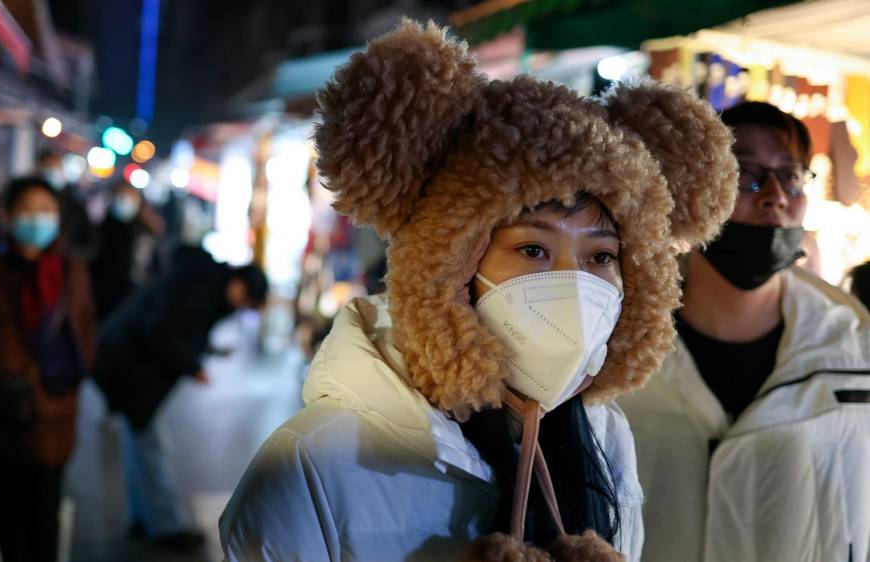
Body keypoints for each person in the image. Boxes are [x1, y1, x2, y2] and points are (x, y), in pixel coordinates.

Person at [219, 20, 738, 561]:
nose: (575, 284)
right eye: (533, 249)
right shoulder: (309, 465)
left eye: (601, 256)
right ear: (450, 264)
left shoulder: (603, 439)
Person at [618, 102, 870, 562]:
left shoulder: (851, 351)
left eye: (791, 177)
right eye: (746, 174)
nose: (775, 196)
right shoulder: (618, 348)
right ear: (696, 195)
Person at [0, 177, 96, 562]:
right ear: (8, 216)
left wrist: (76, 374)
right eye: (27, 209)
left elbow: (85, 328)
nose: (37, 218)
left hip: (54, 408)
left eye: (45, 210)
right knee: (9, 517)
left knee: (45, 515)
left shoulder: (72, 270)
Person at [93, 244, 268, 549]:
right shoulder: (199, 290)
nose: (241, 306)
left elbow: (178, 328)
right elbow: (161, 330)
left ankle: (146, 518)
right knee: (150, 447)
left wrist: (202, 352)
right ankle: (167, 527)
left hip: (124, 363)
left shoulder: (204, 283)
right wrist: (192, 366)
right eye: (246, 299)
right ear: (238, 284)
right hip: (128, 368)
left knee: (140, 445)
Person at [89, 180, 163, 321]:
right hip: (100, 302)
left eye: (130, 198)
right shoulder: (98, 231)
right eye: (121, 197)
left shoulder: (145, 236)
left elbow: (157, 270)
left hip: (133, 305)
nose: (125, 202)